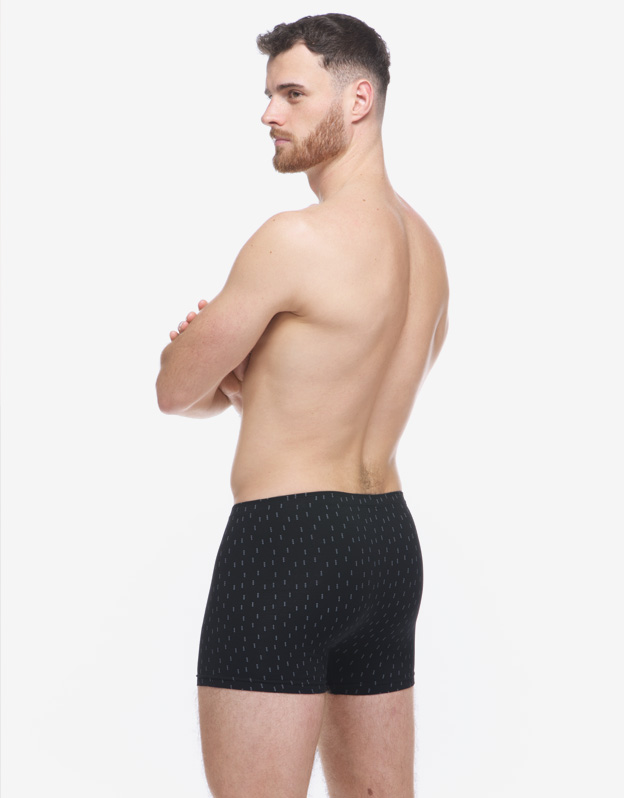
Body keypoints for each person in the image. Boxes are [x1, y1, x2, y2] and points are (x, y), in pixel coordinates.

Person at [156, 13, 449, 798]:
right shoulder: (428, 251)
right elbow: (334, 383)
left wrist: (213, 364)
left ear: (358, 100)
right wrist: (248, 380)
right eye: (268, 95)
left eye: (291, 94)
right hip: (387, 545)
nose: (268, 114)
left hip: (287, 544)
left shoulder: (292, 239)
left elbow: (175, 389)